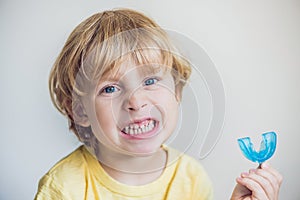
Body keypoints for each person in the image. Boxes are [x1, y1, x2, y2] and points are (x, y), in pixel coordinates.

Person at [35, 8, 282, 200]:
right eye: (110, 88)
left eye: (150, 80)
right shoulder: (63, 188)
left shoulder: (191, 178)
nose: (136, 101)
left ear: (176, 90)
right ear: (79, 110)